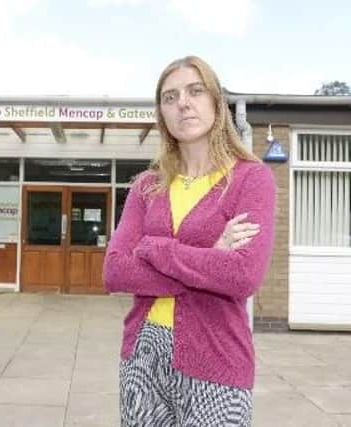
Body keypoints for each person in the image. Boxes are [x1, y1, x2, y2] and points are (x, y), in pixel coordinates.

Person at [104, 55, 276, 426]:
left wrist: (156, 249)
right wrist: (210, 256)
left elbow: (243, 275)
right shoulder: (146, 187)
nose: (183, 102)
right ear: (162, 113)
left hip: (217, 358)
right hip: (142, 355)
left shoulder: (251, 180)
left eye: (195, 91)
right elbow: (116, 272)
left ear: (216, 101)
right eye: (170, 97)